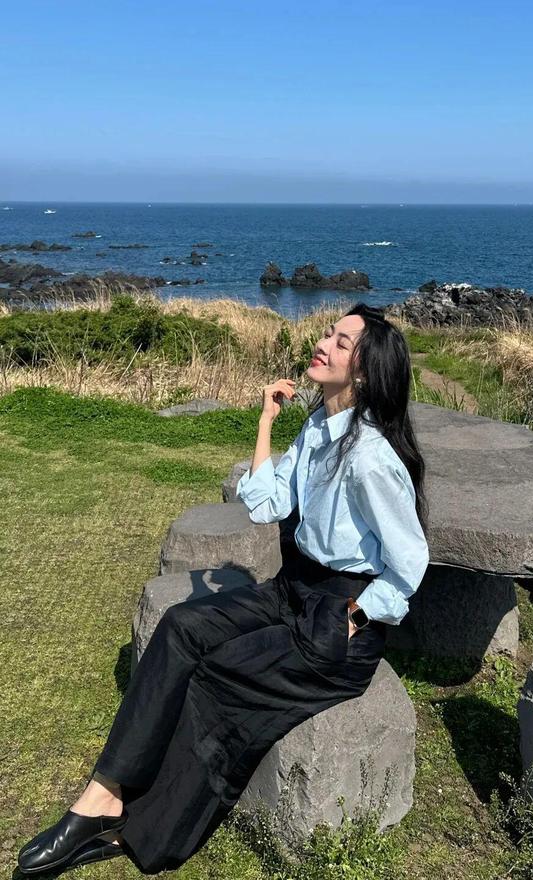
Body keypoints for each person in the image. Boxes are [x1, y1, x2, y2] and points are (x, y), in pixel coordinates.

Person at [16, 302, 430, 876]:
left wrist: (356, 615)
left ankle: (148, 834)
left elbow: (411, 563)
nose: (323, 343)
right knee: (181, 628)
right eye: (328, 333)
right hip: (292, 590)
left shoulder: (369, 457)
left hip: (336, 622)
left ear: (363, 372)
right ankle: (104, 794)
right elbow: (266, 504)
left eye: (341, 342)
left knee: (220, 675)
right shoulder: (318, 428)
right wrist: (265, 421)